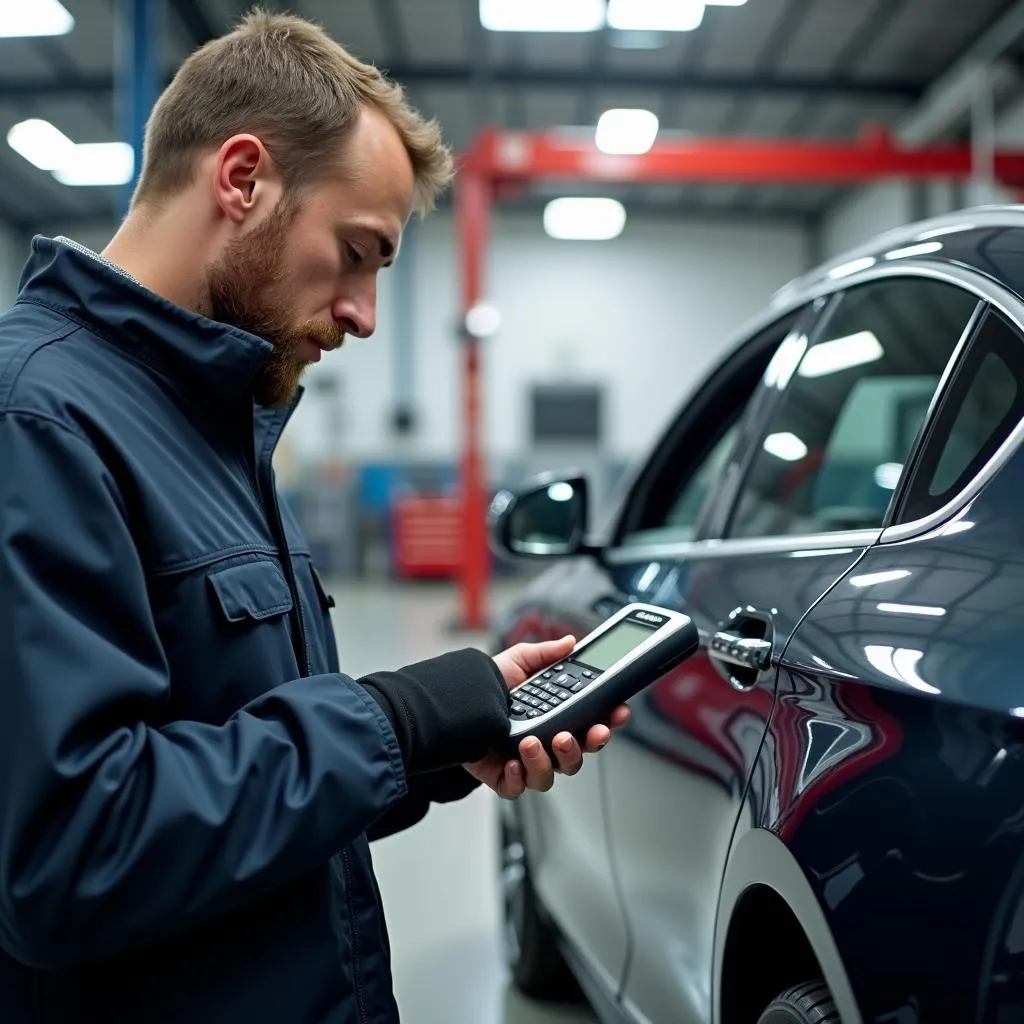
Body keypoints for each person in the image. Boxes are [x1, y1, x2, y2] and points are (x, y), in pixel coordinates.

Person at [0, 9, 629, 1023]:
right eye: (356, 252)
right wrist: (391, 717)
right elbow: (70, 851)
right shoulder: (37, 420)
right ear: (241, 179)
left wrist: (427, 753)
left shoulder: (214, 425)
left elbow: (237, 763)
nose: (364, 313)